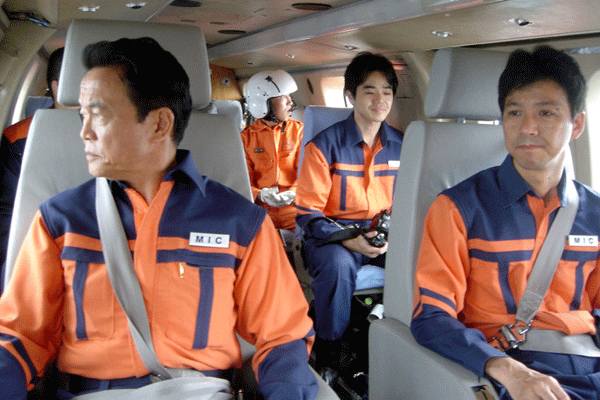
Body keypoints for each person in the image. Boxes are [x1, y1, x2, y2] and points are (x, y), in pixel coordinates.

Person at [0, 37, 318, 400]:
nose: (84, 133)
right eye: (82, 116)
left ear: (158, 124)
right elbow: (18, 337)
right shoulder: (60, 220)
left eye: (98, 115)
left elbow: (282, 337)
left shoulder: (240, 223)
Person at [411, 45, 600, 400]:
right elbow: (431, 317)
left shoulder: (595, 212)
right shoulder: (459, 208)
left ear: (576, 124)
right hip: (512, 364)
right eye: (514, 113)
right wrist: (508, 370)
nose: (527, 127)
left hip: (587, 361)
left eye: (546, 112)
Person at [296, 52, 402, 379]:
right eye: (370, 91)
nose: (380, 100)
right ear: (351, 96)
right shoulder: (323, 146)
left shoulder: (404, 145)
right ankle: (330, 351)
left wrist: (391, 237)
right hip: (331, 237)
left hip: (384, 235)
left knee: (424, 263)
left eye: (387, 92)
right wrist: (350, 240)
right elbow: (307, 212)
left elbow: (410, 205)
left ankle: (400, 344)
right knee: (338, 266)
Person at [0, 47, 66, 291]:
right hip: (31, 251)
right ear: (58, 87)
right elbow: (7, 210)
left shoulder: (115, 134)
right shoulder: (18, 137)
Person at [241, 69, 303, 231]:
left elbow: (307, 173)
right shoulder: (245, 138)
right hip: (260, 212)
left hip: (295, 210)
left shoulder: (300, 132)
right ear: (263, 104)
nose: (290, 101)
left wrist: (294, 193)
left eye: (290, 96)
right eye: (283, 96)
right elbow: (243, 182)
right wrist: (260, 194)